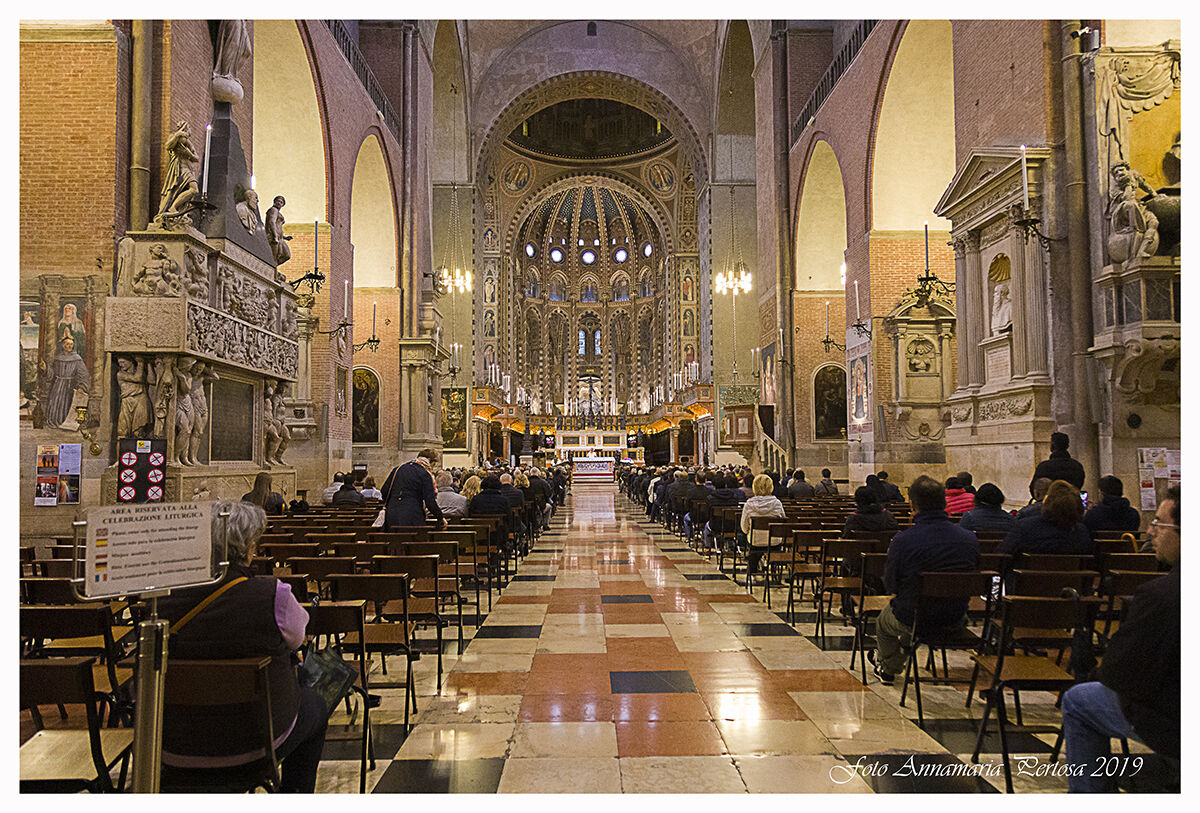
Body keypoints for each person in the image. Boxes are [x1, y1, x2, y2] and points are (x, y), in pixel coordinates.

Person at [159, 501, 326, 792]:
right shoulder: (273, 594)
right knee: (315, 705)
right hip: (256, 740)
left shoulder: (163, 598)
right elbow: (299, 639)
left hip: (176, 744)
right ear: (249, 548)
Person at [1061, 486, 1179, 792]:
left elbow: (1119, 675)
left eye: (1159, 524)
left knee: (1078, 699)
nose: (1151, 532)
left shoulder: (1162, 596)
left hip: (1176, 718)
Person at [872, 475, 979, 685]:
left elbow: (891, 585)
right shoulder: (969, 539)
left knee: (882, 623)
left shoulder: (903, 540)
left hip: (913, 618)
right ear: (944, 502)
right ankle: (895, 655)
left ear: (912, 505)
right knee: (907, 619)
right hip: (955, 617)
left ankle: (888, 667)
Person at [998, 480, 1094, 558]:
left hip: (1030, 581)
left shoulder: (1025, 527)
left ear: (1047, 502)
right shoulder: (1081, 532)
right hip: (1072, 581)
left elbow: (1003, 555)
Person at [381, 450, 446, 530]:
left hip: (392, 514)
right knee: (412, 541)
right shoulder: (425, 474)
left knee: (394, 541)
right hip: (413, 515)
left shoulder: (397, 469)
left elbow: (384, 491)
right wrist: (440, 517)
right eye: (433, 464)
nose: (432, 467)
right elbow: (430, 502)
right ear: (429, 460)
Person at [740, 474, 786, 576]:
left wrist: (748, 532)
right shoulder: (777, 503)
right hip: (774, 541)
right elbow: (783, 522)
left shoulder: (749, 504)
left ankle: (752, 570)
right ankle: (773, 570)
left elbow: (744, 527)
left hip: (755, 541)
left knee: (748, 540)